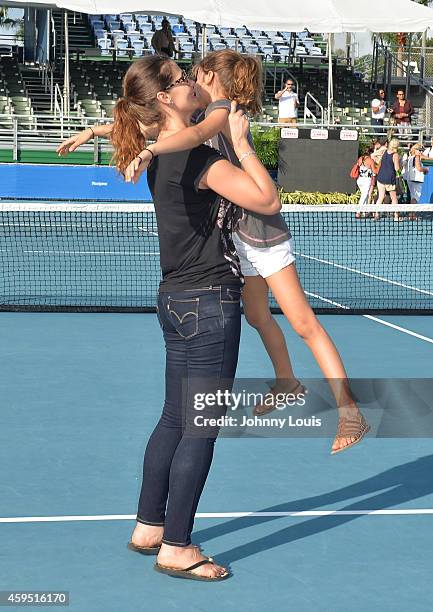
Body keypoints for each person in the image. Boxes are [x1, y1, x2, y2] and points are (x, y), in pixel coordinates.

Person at [57, 52, 371, 456]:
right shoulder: (199, 110)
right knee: (257, 316)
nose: (187, 79)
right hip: (235, 236)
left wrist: (152, 152)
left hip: (263, 233)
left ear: (210, 77)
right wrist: (93, 133)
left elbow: (186, 138)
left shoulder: (221, 111)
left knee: (303, 322)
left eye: (193, 73)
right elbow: (145, 123)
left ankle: (350, 411)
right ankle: (287, 382)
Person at [111, 56, 281, 581]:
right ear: (164, 98)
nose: (191, 81)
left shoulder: (163, 157)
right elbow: (267, 199)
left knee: (173, 418)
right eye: (182, 79)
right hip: (209, 303)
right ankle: (178, 545)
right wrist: (245, 142)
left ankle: (149, 525)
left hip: (175, 301)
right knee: (199, 427)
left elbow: (197, 122)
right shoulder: (199, 161)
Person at [375, 137, 401, 220]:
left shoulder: (385, 151)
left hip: (381, 177)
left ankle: (376, 214)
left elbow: (373, 155)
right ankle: (396, 216)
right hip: (389, 179)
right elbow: (397, 168)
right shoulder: (395, 155)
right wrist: (400, 173)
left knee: (380, 197)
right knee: (394, 198)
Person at [354, 146, 377, 216]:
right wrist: (380, 165)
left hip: (359, 180)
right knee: (364, 195)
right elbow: (375, 171)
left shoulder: (360, 158)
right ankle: (358, 211)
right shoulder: (370, 160)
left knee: (365, 195)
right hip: (366, 180)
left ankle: (365, 212)